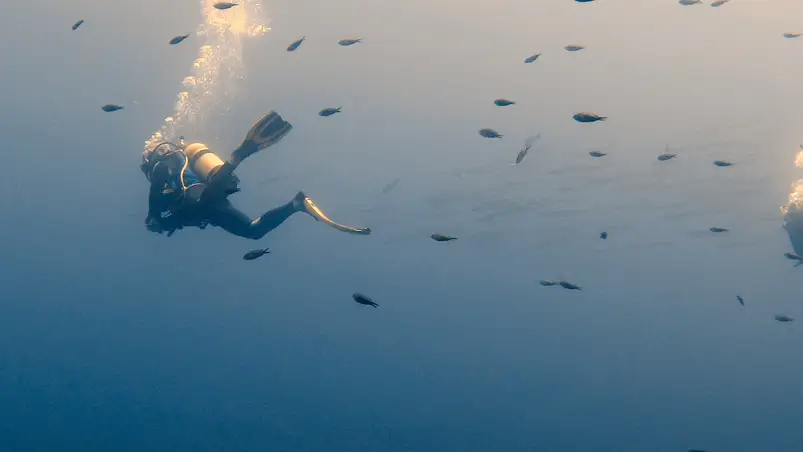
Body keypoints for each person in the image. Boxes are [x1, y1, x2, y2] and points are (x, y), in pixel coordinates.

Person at [141, 111, 371, 239]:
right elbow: (176, 216)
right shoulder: (169, 174)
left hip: (200, 197)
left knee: (209, 195)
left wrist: (152, 216)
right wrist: (162, 223)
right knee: (254, 232)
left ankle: (240, 154)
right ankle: (296, 204)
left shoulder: (161, 168)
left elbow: (155, 192)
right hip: (211, 207)